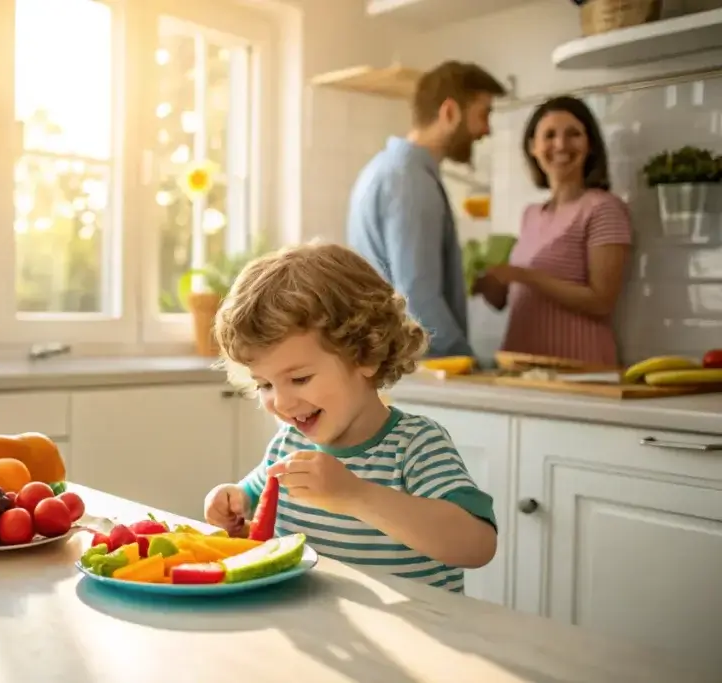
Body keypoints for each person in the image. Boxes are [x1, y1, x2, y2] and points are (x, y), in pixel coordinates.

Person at [203, 242, 497, 593]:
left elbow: (477, 545)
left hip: (416, 639)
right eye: (265, 384)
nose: (280, 402)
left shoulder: (416, 445)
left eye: (300, 379)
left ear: (365, 355)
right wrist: (232, 502)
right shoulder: (289, 444)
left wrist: (356, 495)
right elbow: (252, 497)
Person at [347, 61, 508, 359]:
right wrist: (467, 361)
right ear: (450, 113)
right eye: (483, 114)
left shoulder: (385, 168)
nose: (486, 130)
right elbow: (418, 298)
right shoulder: (411, 181)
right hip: (417, 367)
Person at [472, 96, 632, 367]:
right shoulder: (531, 214)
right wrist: (484, 282)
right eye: (549, 135)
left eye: (574, 134)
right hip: (522, 364)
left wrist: (523, 275)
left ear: (590, 145)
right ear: (533, 147)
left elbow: (602, 300)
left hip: (578, 367)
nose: (561, 144)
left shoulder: (603, 208)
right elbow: (509, 301)